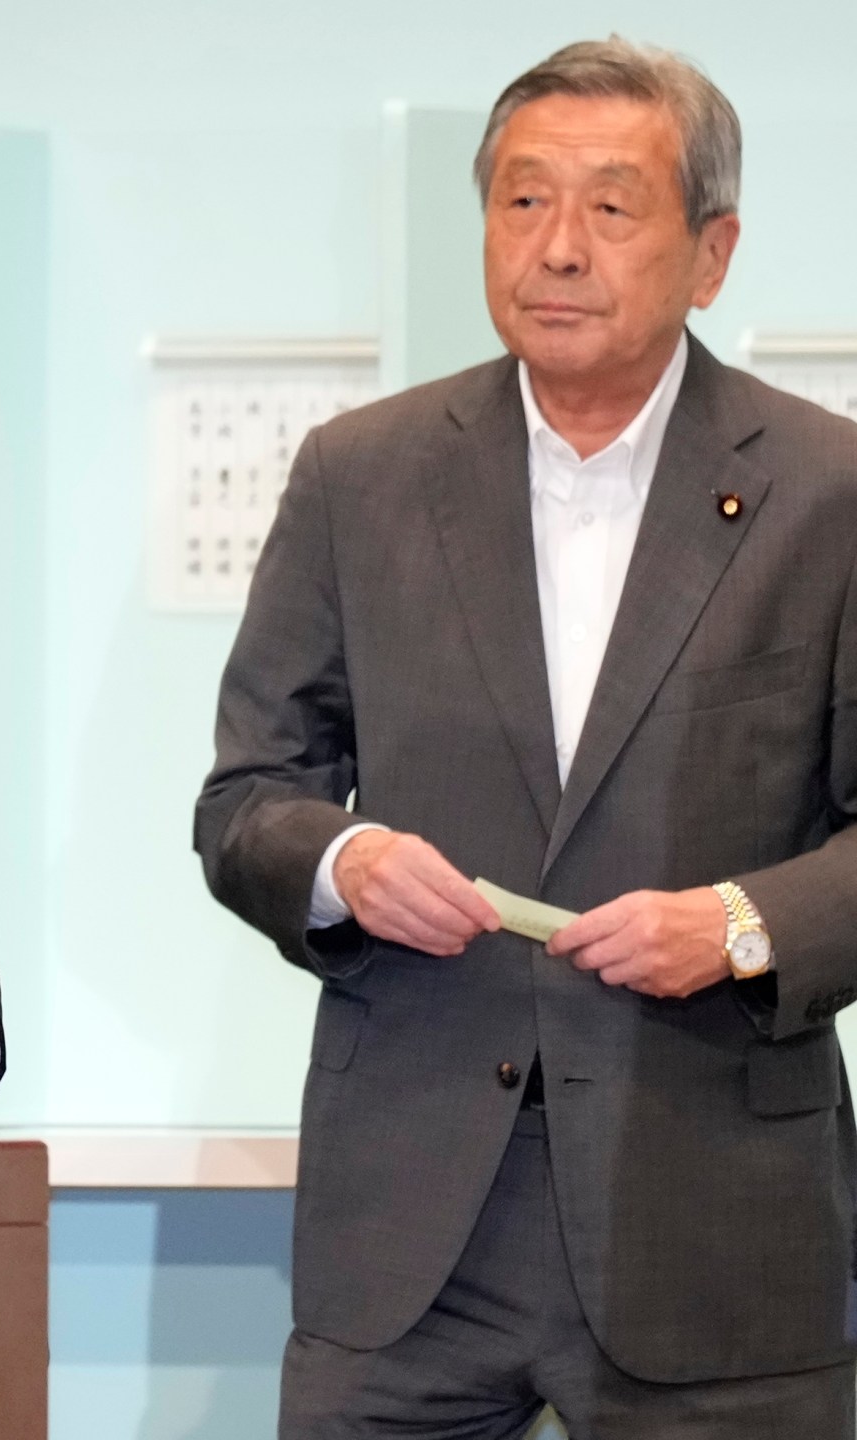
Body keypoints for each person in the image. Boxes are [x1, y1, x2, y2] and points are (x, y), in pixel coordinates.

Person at [198, 38, 857, 1436]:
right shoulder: (360, 478)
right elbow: (250, 795)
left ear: (712, 253)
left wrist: (742, 923)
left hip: (715, 1228)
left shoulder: (829, 491)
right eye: (521, 202)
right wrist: (348, 859)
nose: (558, 248)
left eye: (612, 209)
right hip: (409, 1240)